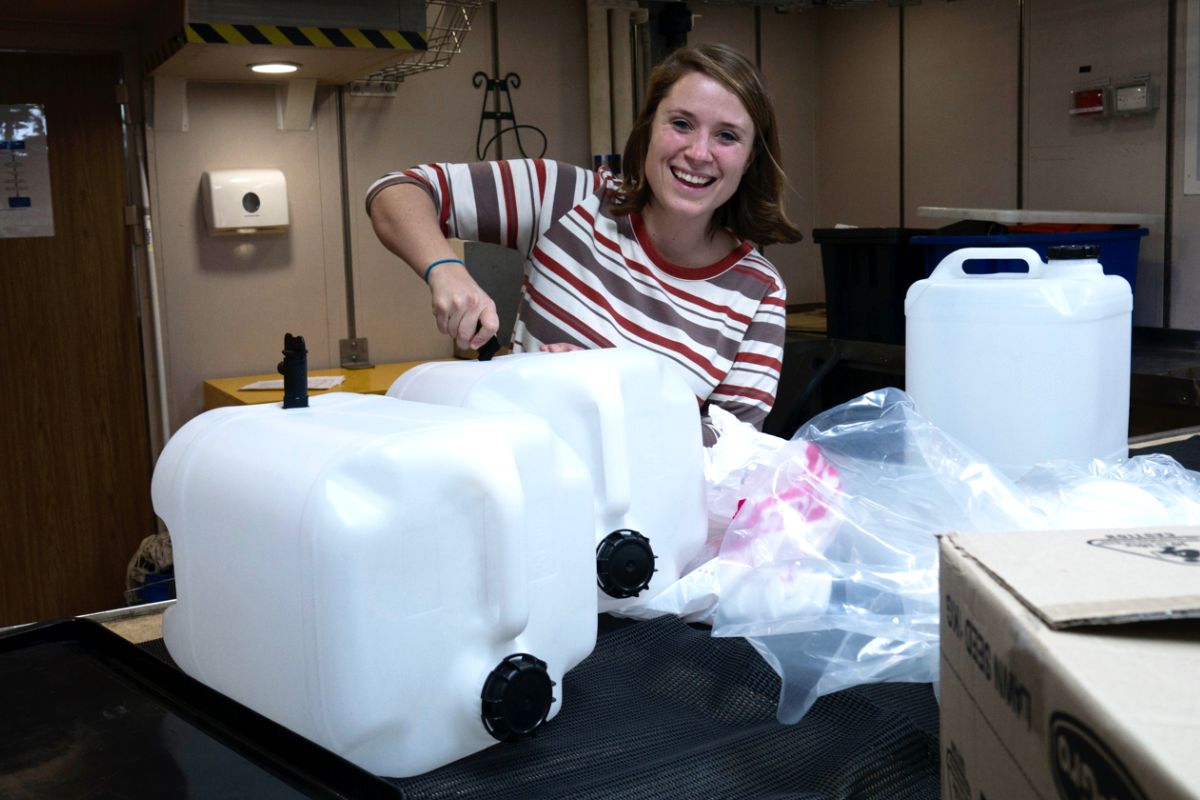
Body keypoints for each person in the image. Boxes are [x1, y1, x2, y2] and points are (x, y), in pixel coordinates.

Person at [367, 43, 803, 444]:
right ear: (649, 127)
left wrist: (610, 392)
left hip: (650, 521)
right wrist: (444, 268)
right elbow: (396, 190)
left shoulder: (757, 291)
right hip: (523, 498)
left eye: (727, 136)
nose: (699, 152)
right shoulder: (565, 198)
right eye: (682, 124)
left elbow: (736, 455)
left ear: (750, 159)